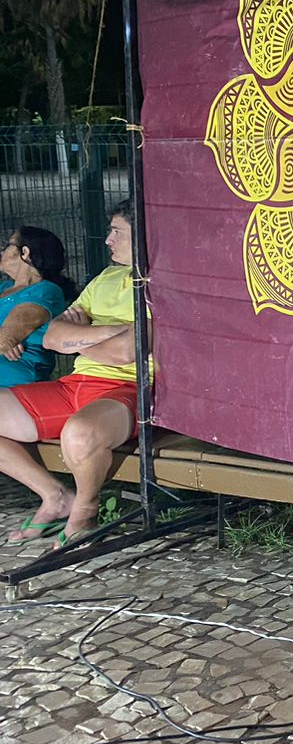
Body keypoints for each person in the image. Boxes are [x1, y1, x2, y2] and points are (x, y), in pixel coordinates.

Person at [1, 202, 144, 546]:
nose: (107, 240)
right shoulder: (105, 278)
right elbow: (53, 337)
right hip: (75, 385)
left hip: (128, 387)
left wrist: (78, 341)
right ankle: (55, 497)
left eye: (116, 232)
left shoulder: (159, 284)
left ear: (142, 235)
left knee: (79, 433)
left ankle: (84, 513)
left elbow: (129, 352)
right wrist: (114, 331)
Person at [0, 226, 77, 388]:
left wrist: (6, 337)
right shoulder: (4, 287)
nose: (2, 250)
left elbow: (5, 339)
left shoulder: (45, 291)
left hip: (15, 387)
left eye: (8, 245)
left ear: (24, 252)